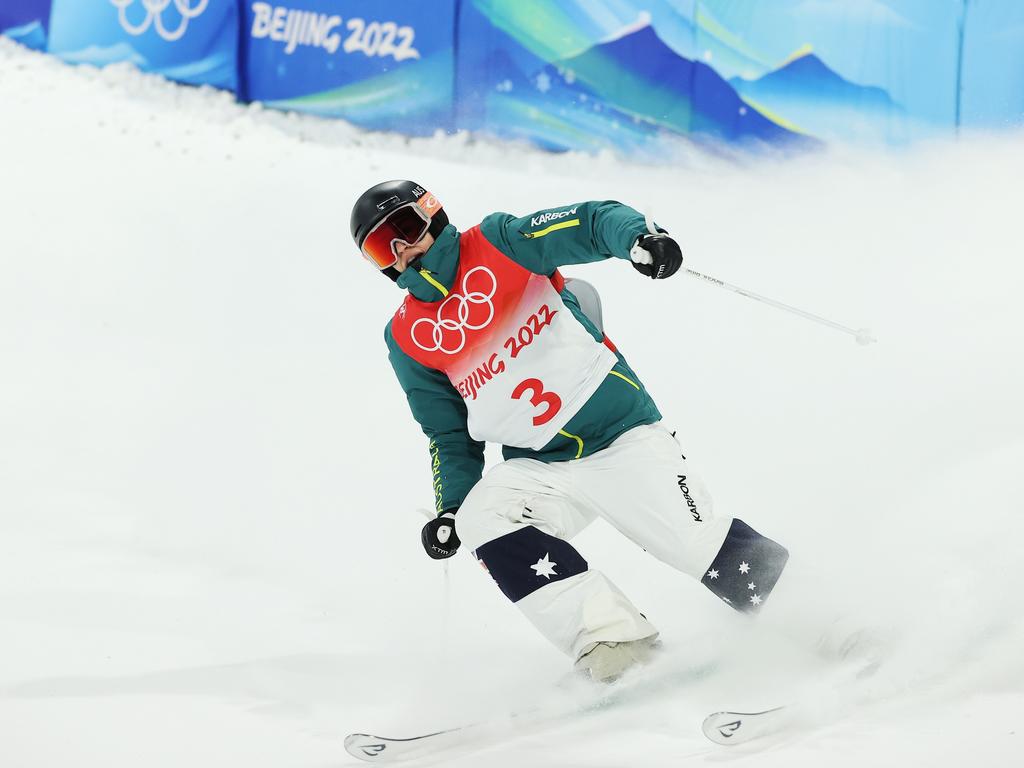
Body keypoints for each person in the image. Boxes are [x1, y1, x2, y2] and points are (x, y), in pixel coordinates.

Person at [350, 180, 790, 683]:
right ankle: (612, 638)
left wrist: (638, 240)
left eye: (404, 228)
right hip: (538, 467)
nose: (403, 249)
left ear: (432, 214)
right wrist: (451, 506)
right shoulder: (406, 336)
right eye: (382, 247)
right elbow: (449, 435)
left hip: (619, 435)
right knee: (481, 519)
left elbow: (588, 219)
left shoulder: (497, 242)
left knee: (692, 542)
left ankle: (814, 610)